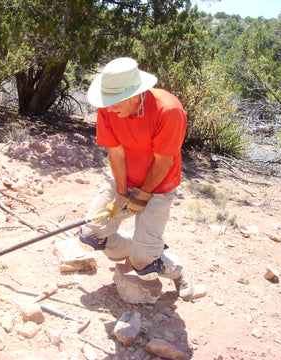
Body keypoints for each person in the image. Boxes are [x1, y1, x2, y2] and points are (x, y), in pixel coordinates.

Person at [78, 57, 194, 301]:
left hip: (160, 187)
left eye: (113, 103)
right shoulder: (110, 107)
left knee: (144, 268)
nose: (107, 108)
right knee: (90, 236)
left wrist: (141, 196)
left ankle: (171, 268)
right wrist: (121, 194)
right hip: (125, 178)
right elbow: (116, 151)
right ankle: (151, 252)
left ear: (135, 95)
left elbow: (164, 160)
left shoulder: (169, 110)